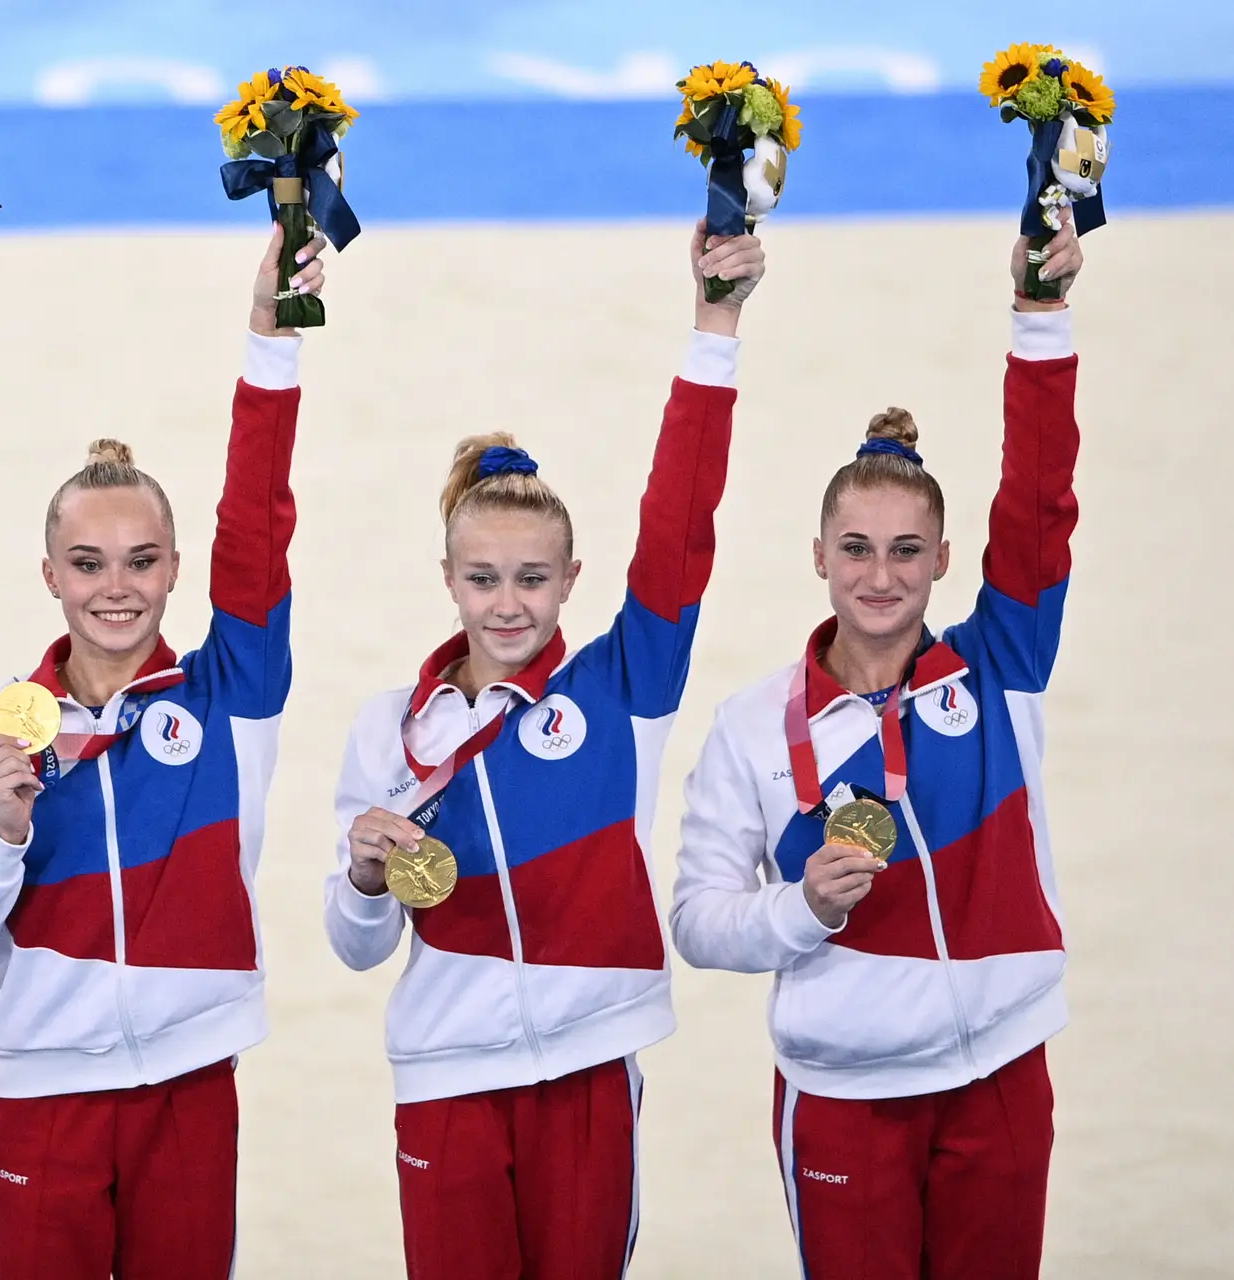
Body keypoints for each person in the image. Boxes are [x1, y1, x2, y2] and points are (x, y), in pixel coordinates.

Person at [324, 222, 767, 1278]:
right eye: (484, 578)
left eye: (533, 577)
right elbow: (352, 945)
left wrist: (714, 327)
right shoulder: (395, 729)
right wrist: (364, 874)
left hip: (587, 1064)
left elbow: (680, 530)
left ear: (573, 579)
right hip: (442, 1074)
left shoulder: (622, 690)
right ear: (448, 578)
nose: (509, 602)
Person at [669, 209, 1087, 1279]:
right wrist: (798, 907)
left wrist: (1040, 314)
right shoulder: (755, 726)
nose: (882, 575)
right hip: (845, 1095)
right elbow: (700, 921)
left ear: (946, 557)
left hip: (999, 1071)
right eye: (856, 548)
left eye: (907, 550)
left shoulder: (1000, 670)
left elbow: (1039, 505)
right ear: (818, 554)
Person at [0, 225, 327, 1280]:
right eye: (88, 562)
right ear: (48, 572)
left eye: (142, 561)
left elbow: (260, 524)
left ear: (178, 567)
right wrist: (5, 832)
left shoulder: (230, 701)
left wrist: (270, 336)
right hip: (42, 1098)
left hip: (190, 1084)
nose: (116, 586)